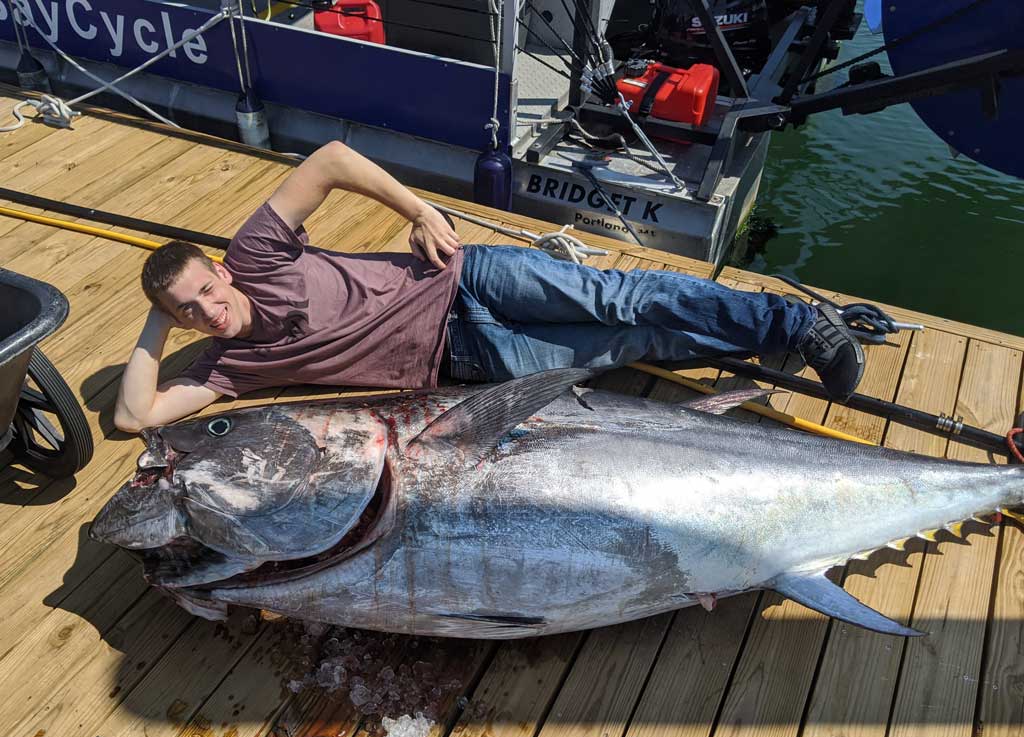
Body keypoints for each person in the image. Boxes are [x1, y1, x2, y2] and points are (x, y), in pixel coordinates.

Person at [113, 141, 863, 433]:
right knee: (632, 343)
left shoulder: (255, 252)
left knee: (618, 299)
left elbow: (334, 159)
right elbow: (137, 414)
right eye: (188, 313)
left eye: (204, 292)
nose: (208, 312)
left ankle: (797, 325)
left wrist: (418, 208)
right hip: (468, 363)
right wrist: (160, 321)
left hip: (460, 274)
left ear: (221, 270)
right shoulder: (224, 369)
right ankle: (763, 336)